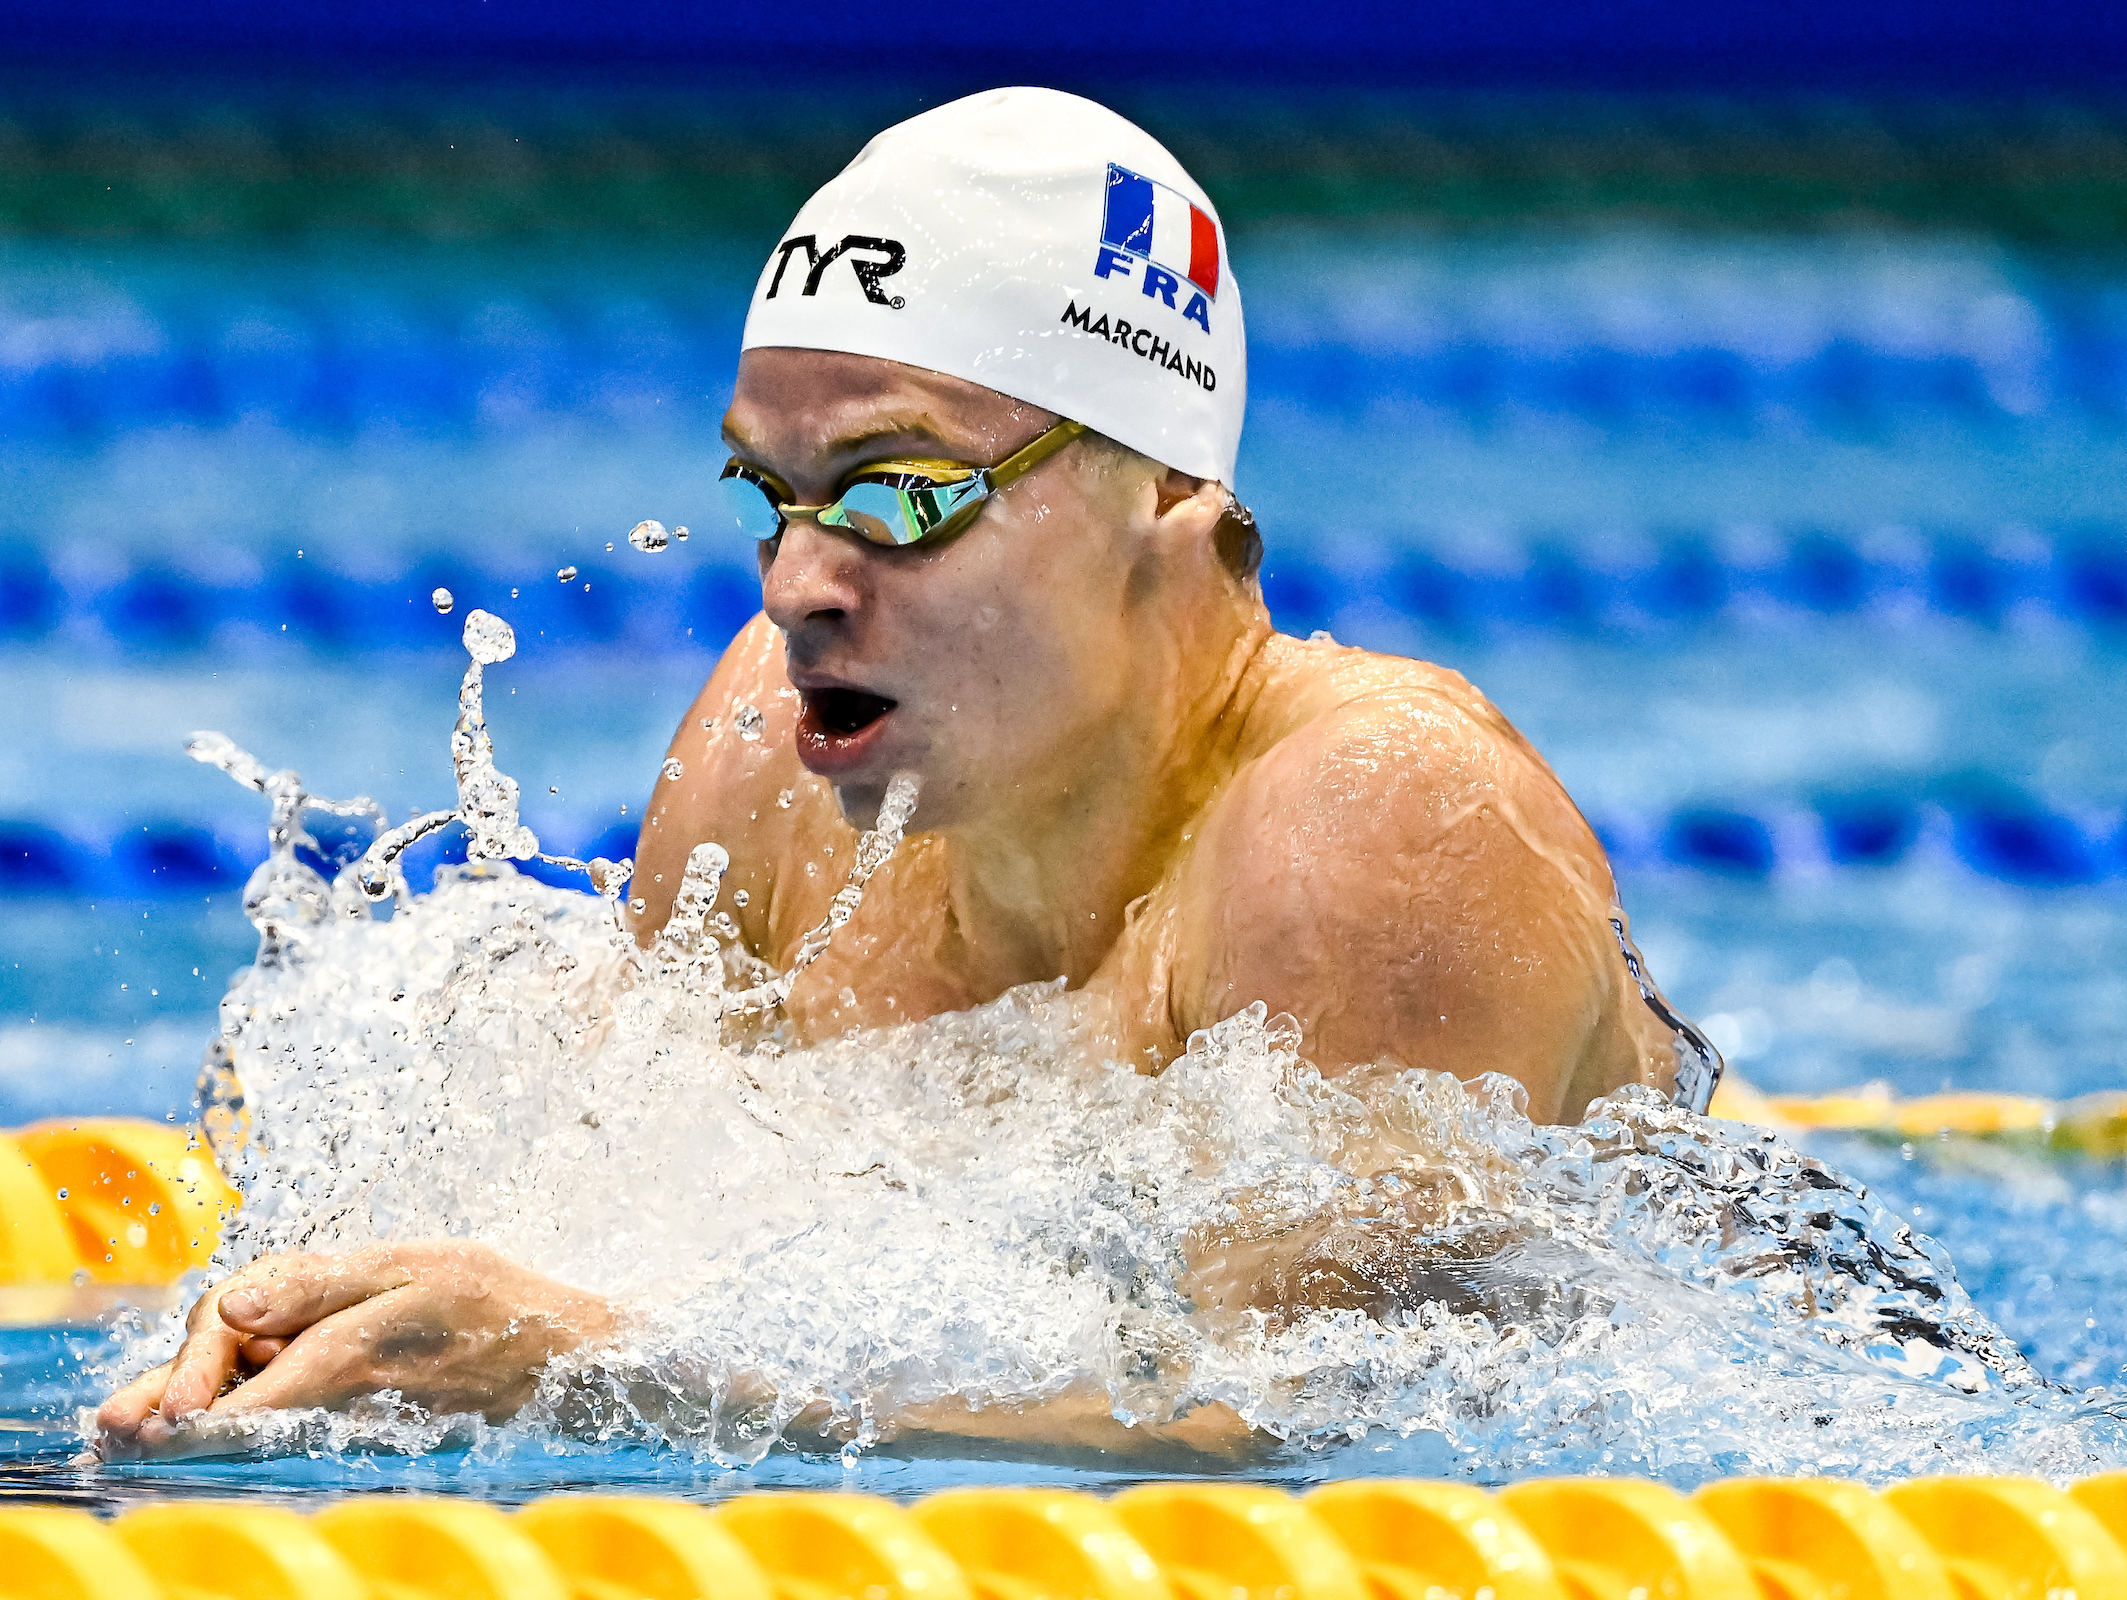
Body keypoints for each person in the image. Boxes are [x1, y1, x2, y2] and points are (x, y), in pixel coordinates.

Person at [96, 87, 1718, 1459]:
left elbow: (1296, 1447)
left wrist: (606, 1368)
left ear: (1162, 496)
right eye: (776, 495)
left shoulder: (1373, 829)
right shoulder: (772, 761)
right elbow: (572, 1239)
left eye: (900, 495)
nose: (796, 584)